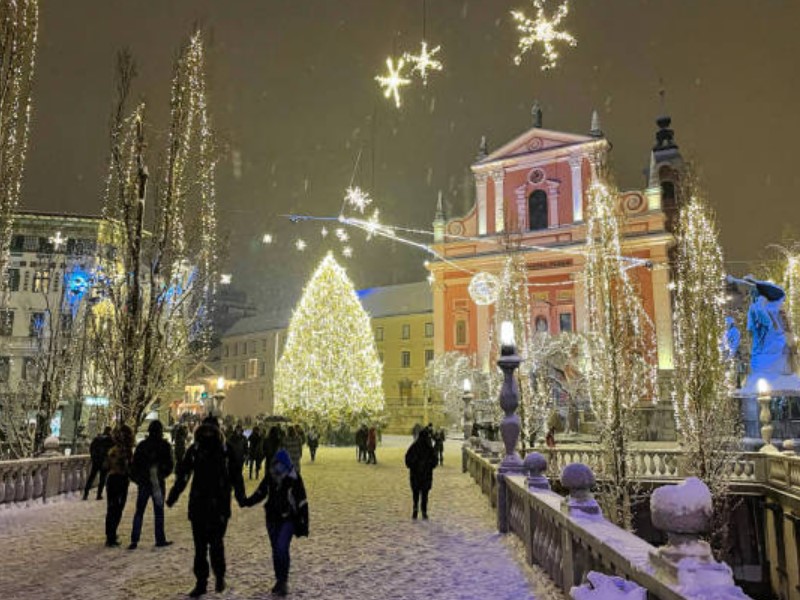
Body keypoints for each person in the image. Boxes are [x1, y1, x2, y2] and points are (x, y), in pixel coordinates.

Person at [167, 416, 247, 598]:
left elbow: (236, 475)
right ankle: (204, 581)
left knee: (212, 544)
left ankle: (216, 577)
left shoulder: (222, 450)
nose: (208, 434)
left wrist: (241, 496)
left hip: (214, 503)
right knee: (202, 546)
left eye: (211, 430)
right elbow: (184, 474)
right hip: (204, 504)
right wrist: (174, 494)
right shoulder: (197, 449)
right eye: (206, 430)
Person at [242, 449, 309, 597]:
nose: (277, 467)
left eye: (280, 464)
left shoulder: (294, 478)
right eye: (275, 463)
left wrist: (304, 523)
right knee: (276, 550)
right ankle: (279, 580)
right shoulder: (271, 476)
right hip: (272, 518)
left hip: (288, 519)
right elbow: (261, 493)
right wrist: (247, 502)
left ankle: (283, 581)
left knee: (281, 548)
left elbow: (302, 502)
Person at [129, 420, 174, 549]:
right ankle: (160, 538)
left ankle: (134, 539)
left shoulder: (142, 446)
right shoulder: (164, 446)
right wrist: (161, 474)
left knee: (139, 511)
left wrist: (139, 478)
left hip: (144, 482)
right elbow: (170, 464)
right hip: (157, 483)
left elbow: (134, 465)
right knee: (158, 511)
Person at [104, 424, 135, 547]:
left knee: (112, 508)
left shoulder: (112, 449)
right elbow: (128, 467)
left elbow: (106, 466)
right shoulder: (125, 451)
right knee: (117, 508)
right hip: (120, 479)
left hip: (112, 479)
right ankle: (111, 536)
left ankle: (110, 534)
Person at [405, 428, 438, 520]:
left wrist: (413, 465)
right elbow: (435, 461)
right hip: (426, 475)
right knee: (424, 495)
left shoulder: (414, 446)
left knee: (415, 494)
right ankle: (424, 511)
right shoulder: (429, 448)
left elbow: (407, 459)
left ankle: (415, 509)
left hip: (415, 475)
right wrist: (429, 466)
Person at [84, 426, 113, 501]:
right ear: (109, 431)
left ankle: (86, 493)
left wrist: (93, 457)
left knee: (91, 477)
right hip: (104, 462)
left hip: (96, 461)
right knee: (102, 479)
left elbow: (91, 448)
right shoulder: (110, 440)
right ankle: (99, 495)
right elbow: (112, 452)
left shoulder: (97, 439)